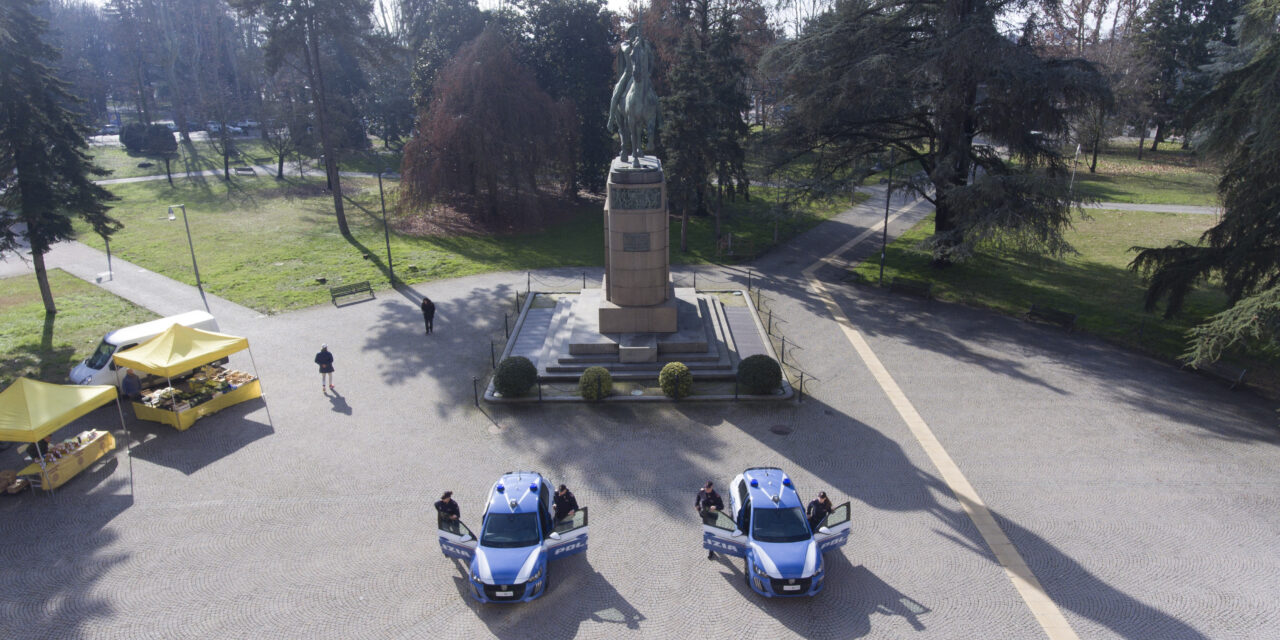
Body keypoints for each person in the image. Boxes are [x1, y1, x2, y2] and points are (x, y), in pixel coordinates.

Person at [694, 481, 724, 560]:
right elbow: (698, 496)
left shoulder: (716, 496)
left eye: (707, 488)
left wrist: (715, 507)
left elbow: (722, 506)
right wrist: (696, 505)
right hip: (704, 516)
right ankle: (708, 542)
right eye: (705, 487)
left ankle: (711, 550)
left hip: (712, 517)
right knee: (706, 531)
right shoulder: (702, 492)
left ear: (711, 487)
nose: (706, 489)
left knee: (711, 533)